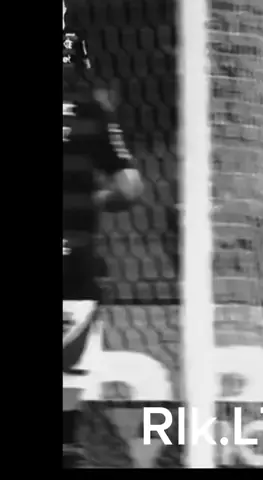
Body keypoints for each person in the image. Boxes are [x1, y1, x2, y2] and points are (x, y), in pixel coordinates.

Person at [63, 1, 143, 464]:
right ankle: (67, 440)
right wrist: (96, 198)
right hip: (74, 252)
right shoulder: (92, 110)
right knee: (69, 355)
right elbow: (130, 188)